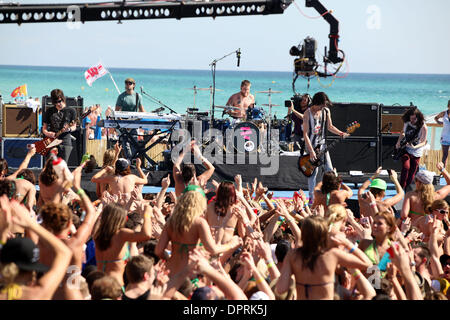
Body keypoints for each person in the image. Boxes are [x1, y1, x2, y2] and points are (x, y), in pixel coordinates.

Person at [275, 216, 372, 300]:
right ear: (324, 233)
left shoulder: (292, 255)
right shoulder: (332, 254)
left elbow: (280, 289)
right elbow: (367, 264)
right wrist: (347, 244)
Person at [302, 92, 350, 203]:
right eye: (321, 105)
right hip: (311, 146)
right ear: (316, 103)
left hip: (323, 146)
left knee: (330, 171)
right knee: (312, 173)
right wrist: (311, 151)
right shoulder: (307, 113)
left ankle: (332, 194)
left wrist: (341, 133)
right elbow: (305, 134)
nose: (323, 107)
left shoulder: (326, 111)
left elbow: (330, 126)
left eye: (324, 105)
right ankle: (312, 198)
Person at [93, 203, 152, 287]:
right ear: (120, 218)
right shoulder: (121, 234)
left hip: (98, 283)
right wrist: (147, 214)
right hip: (114, 285)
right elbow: (146, 235)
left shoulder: (97, 234)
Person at [395, 107, 428, 190]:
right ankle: (401, 187)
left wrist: (415, 147)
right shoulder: (407, 123)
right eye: (411, 119)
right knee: (406, 167)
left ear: (418, 117)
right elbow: (402, 133)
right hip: (406, 149)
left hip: (417, 151)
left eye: (414, 119)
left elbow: (424, 142)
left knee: (412, 172)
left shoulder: (423, 126)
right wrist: (398, 142)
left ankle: (407, 188)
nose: (412, 121)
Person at [42, 89, 77, 163]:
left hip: (65, 142)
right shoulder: (49, 111)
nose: (59, 104)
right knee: (49, 165)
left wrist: (69, 129)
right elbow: (44, 128)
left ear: (63, 99)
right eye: (56, 102)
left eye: (60, 101)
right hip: (52, 141)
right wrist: (48, 133)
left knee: (62, 166)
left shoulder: (71, 111)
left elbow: (74, 126)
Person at [115, 77, 145, 161]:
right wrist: (123, 123)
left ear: (134, 85)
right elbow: (116, 112)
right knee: (126, 144)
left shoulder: (138, 96)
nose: (128, 85)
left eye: (130, 83)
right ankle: (129, 160)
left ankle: (133, 161)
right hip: (123, 123)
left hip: (134, 123)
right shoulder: (121, 96)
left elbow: (142, 111)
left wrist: (149, 116)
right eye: (126, 83)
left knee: (134, 143)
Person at [434, 100, 450, 167]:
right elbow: (436, 118)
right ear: (448, 105)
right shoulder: (444, 113)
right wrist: (440, 123)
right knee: (445, 156)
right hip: (445, 137)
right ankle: (443, 173)